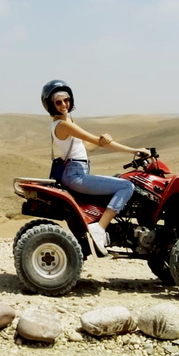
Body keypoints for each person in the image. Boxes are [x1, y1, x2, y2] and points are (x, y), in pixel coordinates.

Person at [41, 79, 150, 255]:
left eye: (66, 100)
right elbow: (95, 140)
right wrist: (135, 150)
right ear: (51, 105)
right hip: (76, 175)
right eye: (59, 102)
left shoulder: (65, 122)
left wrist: (101, 141)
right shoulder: (64, 124)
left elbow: (88, 146)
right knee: (126, 186)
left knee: (118, 179)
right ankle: (100, 228)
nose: (64, 105)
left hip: (77, 171)